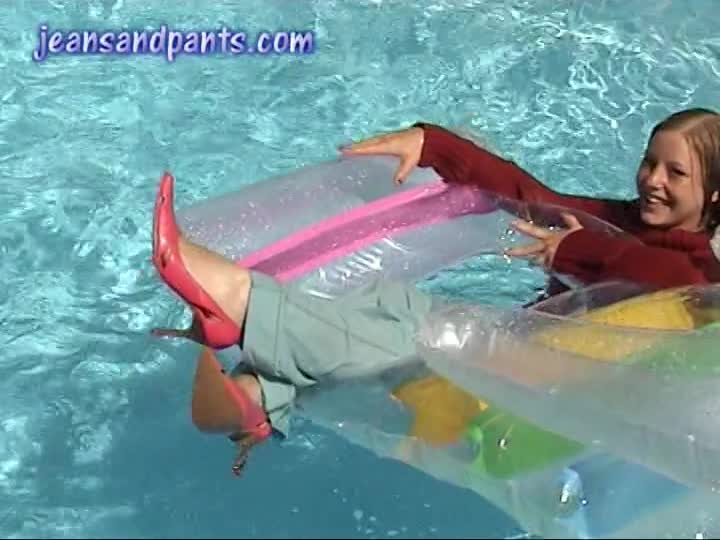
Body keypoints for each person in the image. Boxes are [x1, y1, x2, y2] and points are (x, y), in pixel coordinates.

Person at [150, 108, 720, 474]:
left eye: (676, 173)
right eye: (649, 163)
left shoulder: (700, 270)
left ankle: (238, 299)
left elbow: (677, 282)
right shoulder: (619, 221)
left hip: (540, 409)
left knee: (406, 315)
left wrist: (577, 251)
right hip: (504, 372)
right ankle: (256, 398)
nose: (652, 180)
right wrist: (434, 145)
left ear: (715, 195)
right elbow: (528, 196)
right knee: (373, 324)